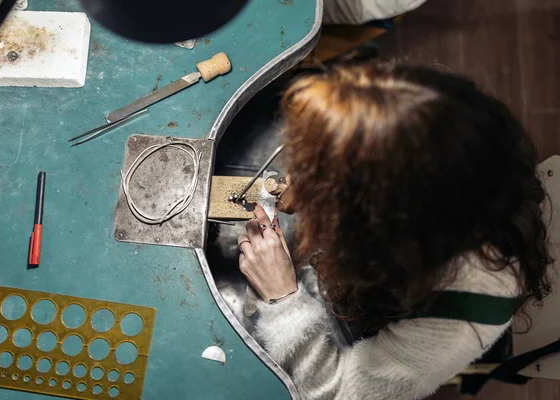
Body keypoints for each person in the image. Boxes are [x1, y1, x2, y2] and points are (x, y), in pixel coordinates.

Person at [236, 62, 552, 399]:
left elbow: (343, 393)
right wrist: (318, 177)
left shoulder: (459, 321)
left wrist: (284, 300)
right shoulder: (446, 136)